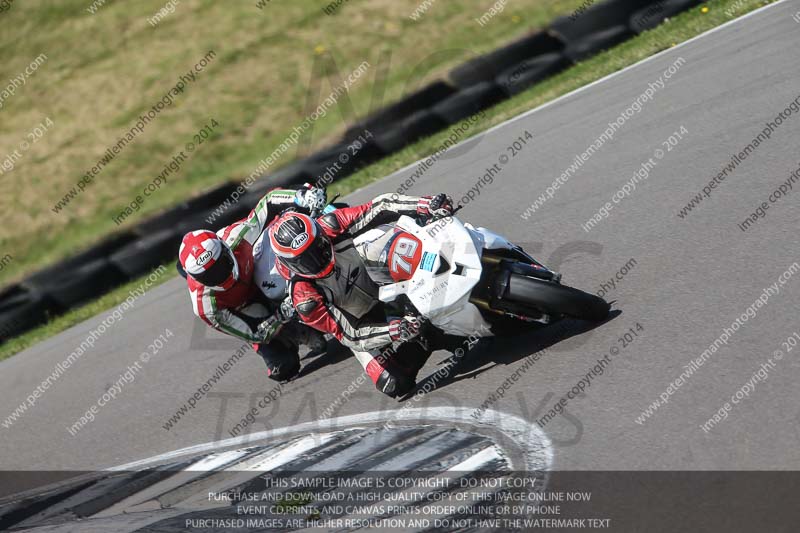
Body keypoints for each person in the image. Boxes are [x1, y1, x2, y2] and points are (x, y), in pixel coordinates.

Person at [268, 192, 455, 397]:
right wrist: (394, 331)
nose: (316, 260)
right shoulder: (305, 299)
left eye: (317, 247)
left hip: (389, 285)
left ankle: (448, 276)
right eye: (304, 261)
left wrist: (424, 204)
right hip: (362, 321)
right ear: (288, 265)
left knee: (395, 237)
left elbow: (381, 205)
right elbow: (351, 335)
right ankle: (429, 336)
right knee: (393, 382)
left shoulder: (332, 223)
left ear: (320, 233)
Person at [179, 185, 327, 382]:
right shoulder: (206, 307)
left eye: (221, 265)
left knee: (290, 221)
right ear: (197, 279)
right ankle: (296, 331)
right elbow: (252, 333)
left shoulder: (236, 237)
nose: (221, 276)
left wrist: (302, 197)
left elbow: (269, 202)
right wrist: (282, 315)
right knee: (284, 368)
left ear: (225, 248)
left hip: (259, 272)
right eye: (210, 276)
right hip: (249, 308)